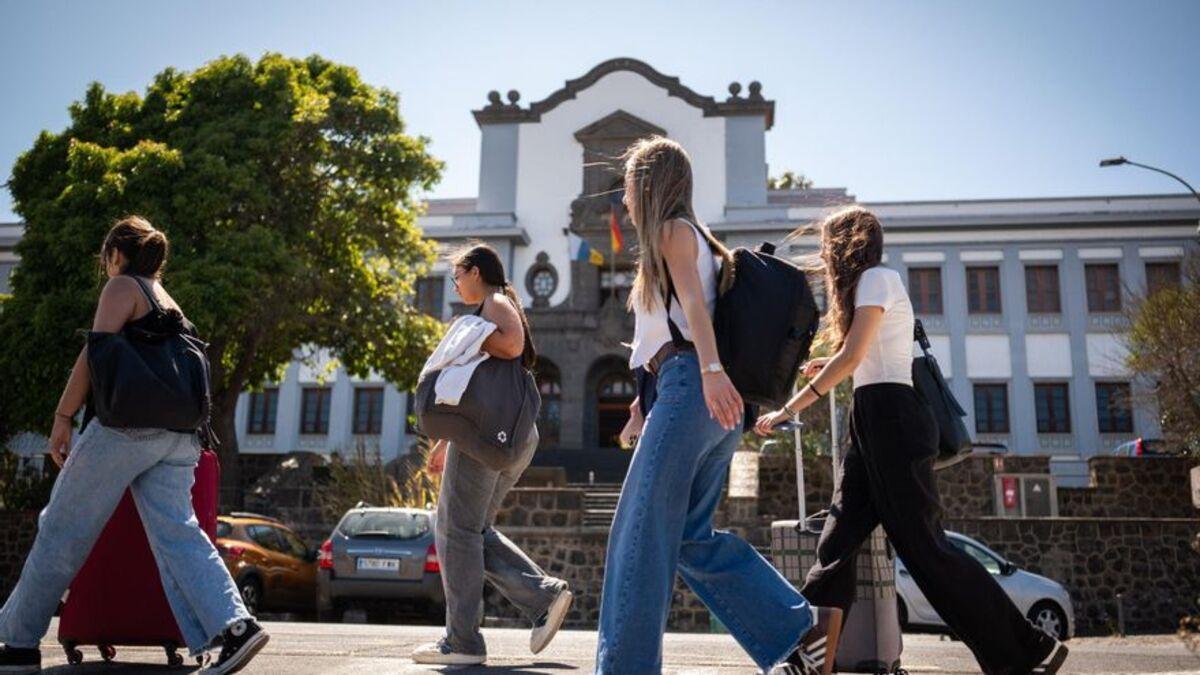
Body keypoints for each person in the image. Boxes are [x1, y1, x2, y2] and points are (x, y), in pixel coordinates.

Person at [754, 206, 1070, 675]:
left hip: (895, 423)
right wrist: (834, 367)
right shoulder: (869, 287)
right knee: (837, 541)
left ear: (847, 245)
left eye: (827, 244)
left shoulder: (877, 279)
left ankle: (1030, 650)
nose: (824, 253)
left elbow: (857, 353)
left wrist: (790, 408)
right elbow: (867, 357)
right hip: (873, 420)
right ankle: (809, 657)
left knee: (928, 552)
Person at [596, 137, 843, 675]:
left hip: (696, 388)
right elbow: (670, 328)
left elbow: (695, 317)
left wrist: (707, 374)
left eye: (629, 187)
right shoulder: (696, 238)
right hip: (699, 396)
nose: (625, 201)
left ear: (649, 184)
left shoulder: (673, 232)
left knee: (637, 533)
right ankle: (797, 632)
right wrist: (644, 406)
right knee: (688, 537)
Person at [0, 216, 268, 674]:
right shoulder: (167, 299)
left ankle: (19, 643)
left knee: (61, 529)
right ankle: (236, 626)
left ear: (116, 254)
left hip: (125, 430)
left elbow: (95, 355)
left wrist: (63, 418)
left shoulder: (122, 288)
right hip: (178, 437)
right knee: (180, 535)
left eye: (106, 259)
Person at [411, 243, 573, 666]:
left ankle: (463, 641)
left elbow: (513, 344)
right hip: (511, 434)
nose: (455, 283)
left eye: (457, 275)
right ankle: (543, 597)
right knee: (470, 529)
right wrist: (448, 440)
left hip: (491, 437)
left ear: (475, 271)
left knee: (455, 530)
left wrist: (471, 334)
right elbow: (481, 386)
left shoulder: (495, 302)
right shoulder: (496, 304)